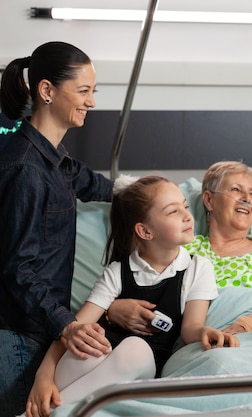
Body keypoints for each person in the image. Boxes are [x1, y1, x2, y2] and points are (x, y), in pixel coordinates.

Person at [25, 175, 239, 417]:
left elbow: (191, 327)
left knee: (135, 348)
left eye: (185, 207)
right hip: (101, 354)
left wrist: (204, 333)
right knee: (86, 346)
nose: (187, 215)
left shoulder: (197, 267)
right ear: (145, 231)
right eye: (173, 211)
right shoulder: (117, 272)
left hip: (143, 363)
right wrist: (42, 377)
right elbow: (74, 329)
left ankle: (48, 413)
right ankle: (48, 409)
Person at [0, 41, 113, 416]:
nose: (91, 102)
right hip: (17, 336)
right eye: (83, 91)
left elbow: (98, 186)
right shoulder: (25, 169)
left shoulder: (57, 161)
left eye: (92, 91)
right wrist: (67, 326)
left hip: (37, 332)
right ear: (46, 91)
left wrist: (159, 197)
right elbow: (19, 270)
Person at [106, 161, 252, 336]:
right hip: (205, 341)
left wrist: (251, 323)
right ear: (209, 200)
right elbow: (139, 282)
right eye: (236, 190)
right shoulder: (183, 248)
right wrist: (111, 309)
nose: (247, 199)